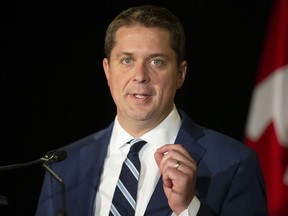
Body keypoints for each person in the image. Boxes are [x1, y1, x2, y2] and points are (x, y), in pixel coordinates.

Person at [35, 4, 268, 216]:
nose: (140, 76)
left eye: (156, 62)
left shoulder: (234, 162)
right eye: (127, 60)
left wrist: (188, 209)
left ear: (180, 74)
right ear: (107, 70)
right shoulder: (62, 166)